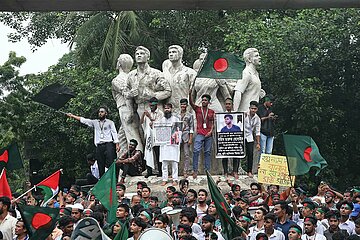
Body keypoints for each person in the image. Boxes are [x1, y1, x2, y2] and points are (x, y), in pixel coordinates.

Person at [67, 107, 120, 177]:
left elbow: (114, 133)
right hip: (99, 145)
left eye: (102, 112)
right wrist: (72, 116)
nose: (100, 113)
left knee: (111, 162)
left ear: (106, 113)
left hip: (108, 144)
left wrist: (117, 144)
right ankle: (102, 181)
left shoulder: (110, 122)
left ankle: (113, 179)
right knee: (100, 163)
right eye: (99, 112)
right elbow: (84, 120)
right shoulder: (95, 122)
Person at [126, 46, 171, 125]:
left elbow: (168, 91)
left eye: (142, 54)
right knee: (145, 135)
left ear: (148, 57)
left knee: (157, 133)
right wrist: (130, 94)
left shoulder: (156, 73)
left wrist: (153, 96)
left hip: (155, 107)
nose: (139, 55)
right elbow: (125, 92)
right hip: (139, 108)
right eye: (137, 54)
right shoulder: (131, 75)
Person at [112, 53, 143, 151]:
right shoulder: (133, 77)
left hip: (126, 108)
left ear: (119, 64)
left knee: (132, 136)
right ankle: (122, 159)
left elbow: (127, 95)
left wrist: (130, 112)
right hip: (134, 108)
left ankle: (137, 160)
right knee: (122, 137)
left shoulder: (117, 80)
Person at [189, 91, 215, 178]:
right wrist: (190, 94)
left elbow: (213, 123)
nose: (204, 101)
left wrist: (210, 132)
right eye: (203, 100)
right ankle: (195, 170)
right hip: (200, 133)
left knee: (207, 152)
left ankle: (207, 170)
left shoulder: (211, 111)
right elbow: (191, 103)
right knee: (196, 151)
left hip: (208, 134)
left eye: (205, 100)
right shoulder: (198, 109)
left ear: (208, 102)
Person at [164, 45, 197, 113]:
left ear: (180, 54)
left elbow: (193, 93)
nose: (171, 54)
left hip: (185, 109)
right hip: (169, 110)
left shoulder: (190, 72)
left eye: (174, 52)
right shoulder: (165, 74)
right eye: (169, 52)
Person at [233, 48, 264, 112]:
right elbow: (238, 92)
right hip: (245, 112)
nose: (259, 57)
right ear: (249, 59)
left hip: (253, 113)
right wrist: (235, 112)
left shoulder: (256, 74)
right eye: (256, 56)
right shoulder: (246, 73)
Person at [159, 103, 182, 186]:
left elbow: (179, 131)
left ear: (171, 109)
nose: (166, 110)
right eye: (165, 108)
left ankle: (175, 179)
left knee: (174, 162)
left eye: (168, 108)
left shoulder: (176, 119)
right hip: (164, 144)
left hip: (173, 145)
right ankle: (164, 179)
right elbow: (158, 131)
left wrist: (175, 137)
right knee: (164, 163)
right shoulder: (161, 120)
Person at [141, 97, 164, 178]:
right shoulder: (148, 112)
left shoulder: (160, 113)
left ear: (156, 105)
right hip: (149, 137)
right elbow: (141, 122)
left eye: (153, 105)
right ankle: (149, 171)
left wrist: (150, 117)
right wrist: (144, 115)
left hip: (157, 137)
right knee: (148, 153)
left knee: (158, 154)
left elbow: (159, 124)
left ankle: (160, 172)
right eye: (150, 105)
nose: (151, 107)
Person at [178, 98, 194, 178]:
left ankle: (186, 171)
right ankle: (176, 171)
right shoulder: (176, 114)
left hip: (186, 135)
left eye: (184, 104)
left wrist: (190, 138)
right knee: (176, 154)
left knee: (186, 154)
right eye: (181, 104)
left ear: (187, 105)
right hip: (177, 136)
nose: (183, 106)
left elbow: (192, 127)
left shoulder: (190, 115)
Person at [244, 101, 261, 177]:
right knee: (238, 153)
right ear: (249, 108)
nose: (253, 110)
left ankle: (249, 171)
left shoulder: (257, 118)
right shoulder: (244, 114)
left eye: (255, 109)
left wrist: (258, 143)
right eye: (252, 108)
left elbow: (257, 132)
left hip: (249, 136)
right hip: (241, 135)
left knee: (250, 153)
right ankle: (235, 171)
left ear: (257, 109)